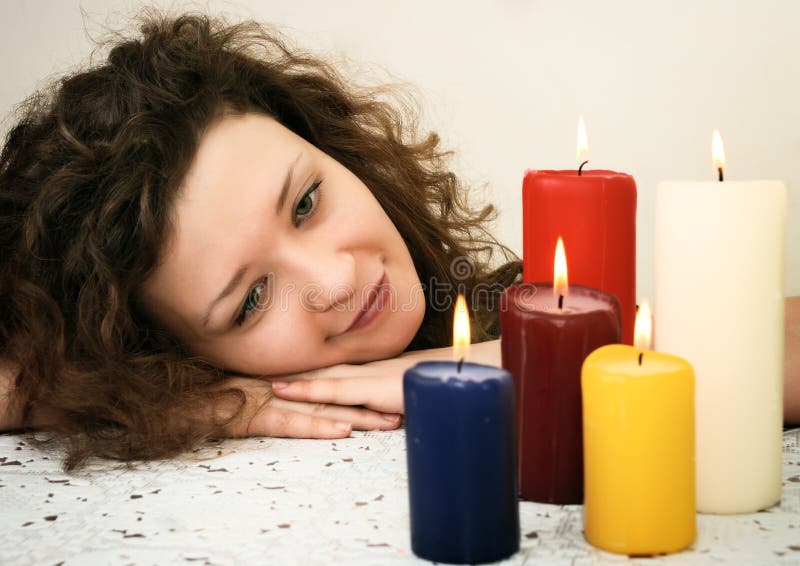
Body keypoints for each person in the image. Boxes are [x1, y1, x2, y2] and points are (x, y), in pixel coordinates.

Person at [0, 13, 797, 473]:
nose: (334, 280)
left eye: (306, 202)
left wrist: (534, 366)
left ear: (335, 150)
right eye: (250, 299)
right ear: (157, 354)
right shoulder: (198, 404)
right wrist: (160, 403)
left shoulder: (501, 306)